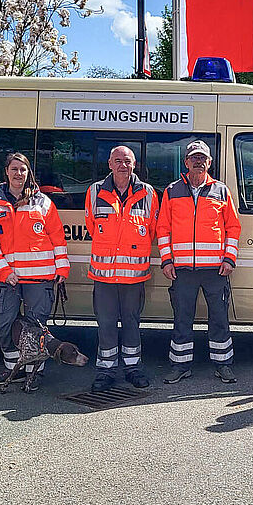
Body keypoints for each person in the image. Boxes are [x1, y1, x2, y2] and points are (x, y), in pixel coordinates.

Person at [0, 152, 69, 389]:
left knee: (37, 326)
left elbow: (58, 238)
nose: (19, 173)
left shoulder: (43, 202)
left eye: (23, 169)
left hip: (40, 277)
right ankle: (13, 368)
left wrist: (62, 267)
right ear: (6, 172)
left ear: (28, 172)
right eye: (14, 169)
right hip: (7, 277)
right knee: (2, 322)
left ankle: (34, 372)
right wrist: (3, 269)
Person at [158, 140, 241, 384]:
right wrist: (166, 261)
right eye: (194, 158)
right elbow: (163, 229)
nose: (198, 161)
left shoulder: (221, 191)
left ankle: (223, 364)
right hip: (182, 270)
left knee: (219, 318)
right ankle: (180, 365)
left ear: (209, 163)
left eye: (202, 158)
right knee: (182, 318)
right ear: (186, 162)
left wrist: (229, 259)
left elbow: (233, 228)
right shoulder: (172, 191)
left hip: (215, 270)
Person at [84, 146, 159, 392]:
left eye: (126, 161)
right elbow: (93, 227)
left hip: (134, 278)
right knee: (105, 324)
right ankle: (105, 371)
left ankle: (133, 368)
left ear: (134, 164)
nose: (122, 165)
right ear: (109, 164)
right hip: (103, 276)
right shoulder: (95, 191)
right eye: (117, 160)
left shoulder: (148, 193)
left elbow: (152, 230)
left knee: (131, 323)